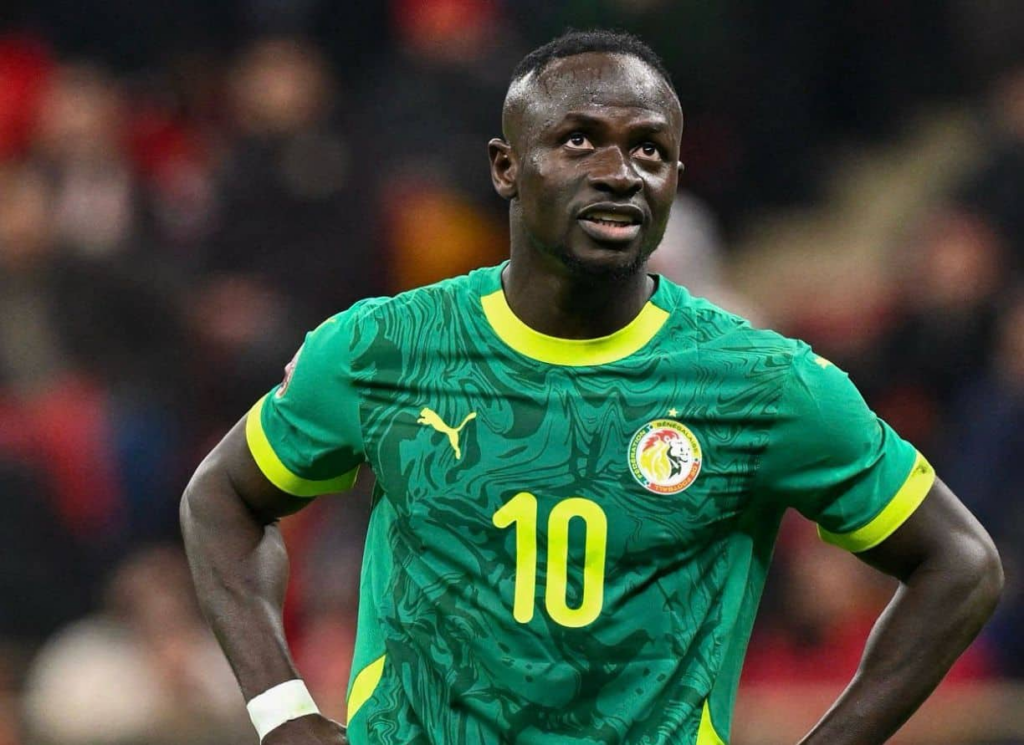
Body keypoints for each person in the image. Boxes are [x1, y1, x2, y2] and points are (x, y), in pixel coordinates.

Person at [180, 30, 1004, 745]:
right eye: (579, 141)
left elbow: (961, 564)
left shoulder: (760, 384)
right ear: (506, 166)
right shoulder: (384, 347)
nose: (620, 172)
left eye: (650, 151)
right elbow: (222, 499)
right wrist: (282, 711)